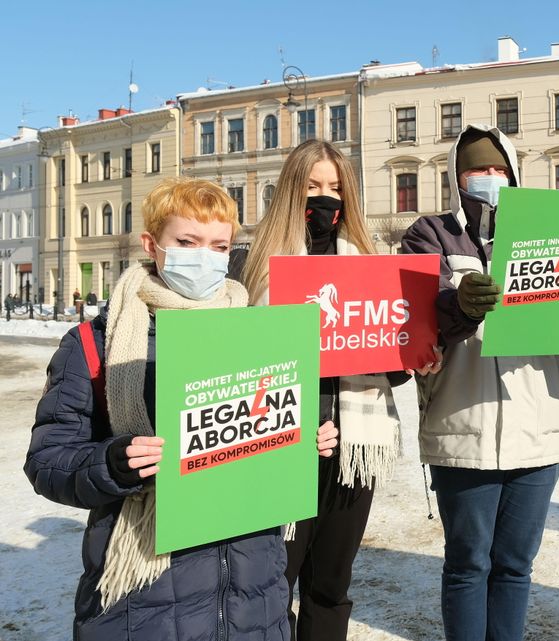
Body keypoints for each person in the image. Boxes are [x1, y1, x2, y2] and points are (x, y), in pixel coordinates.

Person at [24, 177, 339, 640]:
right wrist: (112, 462)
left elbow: (264, 425)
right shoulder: (95, 344)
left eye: (218, 245)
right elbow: (47, 459)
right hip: (145, 596)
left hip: (253, 589)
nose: (204, 257)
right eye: (187, 242)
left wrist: (303, 437)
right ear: (153, 245)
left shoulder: (260, 334)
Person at [401, 123, 559, 641]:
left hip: (535, 427)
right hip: (461, 426)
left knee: (516, 566)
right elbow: (415, 316)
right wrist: (457, 304)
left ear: (513, 174)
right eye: (477, 169)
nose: (489, 178)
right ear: (458, 176)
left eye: (498, 169)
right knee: (469, 564)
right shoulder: (429, 233)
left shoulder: (546, 230)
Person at [236, 139, 438, 641]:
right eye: (311, 187)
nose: (324, 199)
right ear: (290, 192)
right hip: (277, 444)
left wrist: (410, 357)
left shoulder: (372, 263)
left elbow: (392, 354)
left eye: (334, 187)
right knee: (271, 581)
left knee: (330, 583)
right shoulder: (254, 265)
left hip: (354, 446)